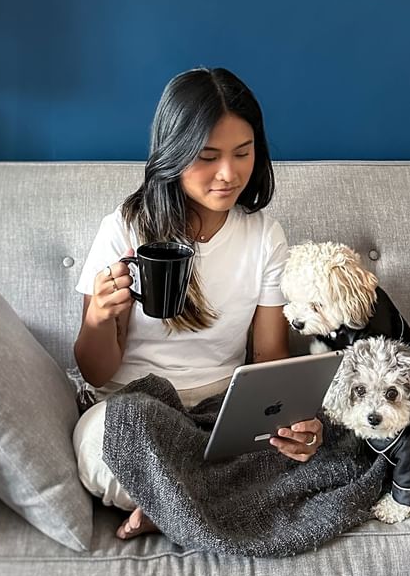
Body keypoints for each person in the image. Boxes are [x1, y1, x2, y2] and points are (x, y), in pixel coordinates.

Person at [72, 67, 323, 540]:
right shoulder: (126, 229)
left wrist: (294, 423)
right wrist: (99, 316)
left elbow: (269, 358)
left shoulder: (264, 236)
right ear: (174, 153)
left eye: (242, 154)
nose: (229, 174)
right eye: (207, 157)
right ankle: (194, 498)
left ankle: (170, 503)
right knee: (112, 442)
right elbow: (95, 373)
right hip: (134, 404)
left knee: (326, 444)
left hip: (222, 411)